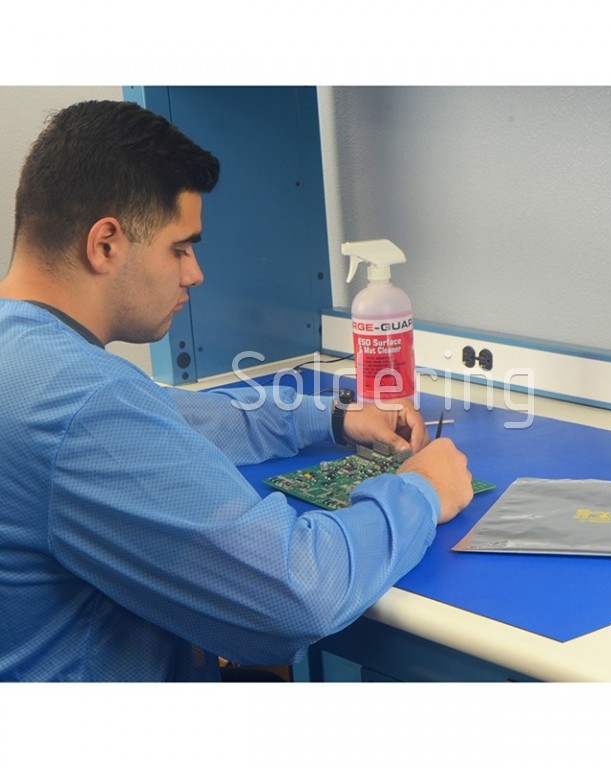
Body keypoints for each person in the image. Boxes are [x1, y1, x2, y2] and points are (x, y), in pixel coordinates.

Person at [0, 99, 473, 681]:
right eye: (180, 248)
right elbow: (295, 594)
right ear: (105, 245)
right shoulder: (80, 404)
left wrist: (334, 417)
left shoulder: (29, 357)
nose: (194, 273)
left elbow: (178, 420)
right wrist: (422, 492)